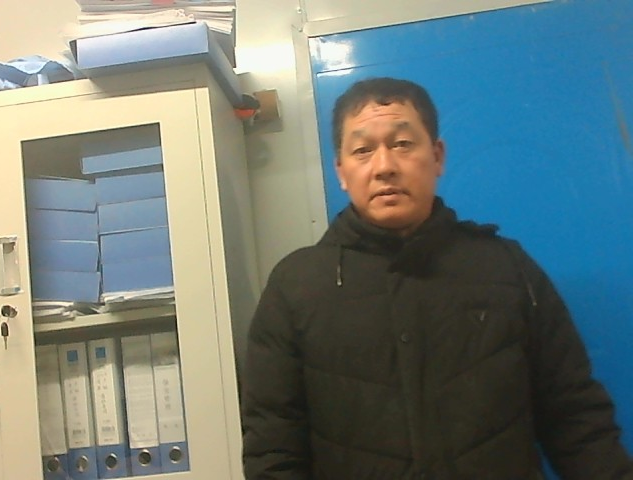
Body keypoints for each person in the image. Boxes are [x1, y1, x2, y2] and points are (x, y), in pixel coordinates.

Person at [241, 77, 633, 479]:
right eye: (362, 150)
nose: (384, 167)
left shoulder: (506, 268)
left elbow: (577, 420)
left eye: (402, 144)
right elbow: (273, 448)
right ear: (341, 171)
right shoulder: (297, 287)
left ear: (438, 156)